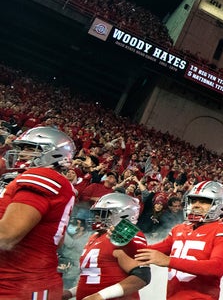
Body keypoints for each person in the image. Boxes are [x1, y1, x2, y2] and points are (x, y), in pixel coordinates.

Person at [0, 126, 77, 299]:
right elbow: (55, 241)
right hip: (25, 281)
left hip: (16, 286)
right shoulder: (51, 181)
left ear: (53, 154)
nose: (21, 154)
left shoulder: (42, 176)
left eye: (30, 149)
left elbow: (6, 235)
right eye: (21, 148)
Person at [134, 180, 223, 300]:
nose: (196, 205)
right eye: (193, 200)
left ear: (220, 205)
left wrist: (169, 261)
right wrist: (123, 240)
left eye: (204, 201)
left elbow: (217, 267)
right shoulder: (180, 229)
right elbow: (148, 251)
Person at [63, 193, 150, 300]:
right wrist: (70, 293)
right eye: (96, 214)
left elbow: (141, 276)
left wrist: (100, 296)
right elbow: (94, 278)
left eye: (102, 214)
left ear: (122, 214)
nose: (96, 218)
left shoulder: (126, 235)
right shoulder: (95, 237)